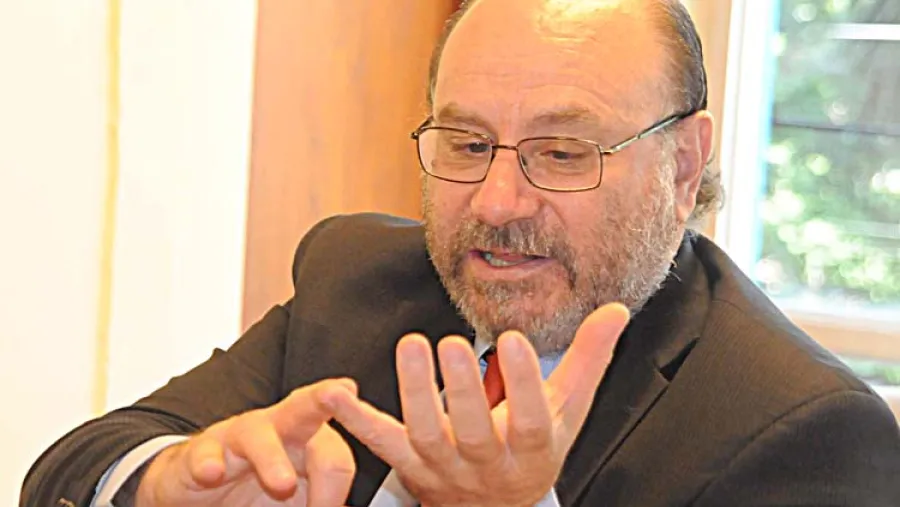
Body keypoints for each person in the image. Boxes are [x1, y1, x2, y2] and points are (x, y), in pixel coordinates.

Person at [22, 0, 900, 505]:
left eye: (562, 153)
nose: (497, 202)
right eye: (467, 143)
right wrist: (166, 482)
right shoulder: (360, 276)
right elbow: (77, 462)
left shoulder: (809, 431)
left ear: (681, 166)